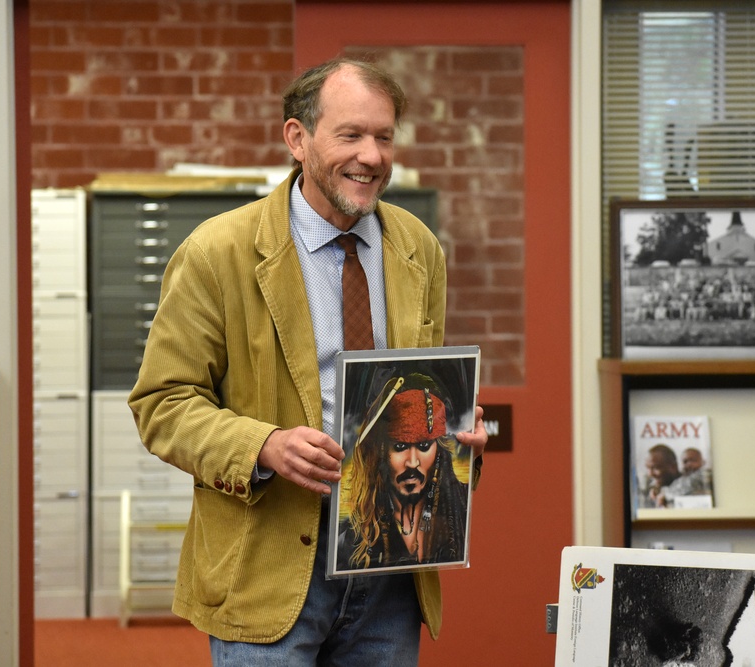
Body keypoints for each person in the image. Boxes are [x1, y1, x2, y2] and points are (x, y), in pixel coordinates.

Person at [127, 56, 487, 666]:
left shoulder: (418, 249)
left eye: (383, 136)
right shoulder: (217, 254)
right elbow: (161, 405)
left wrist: (455, 438)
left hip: (390, 564)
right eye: (350, 135)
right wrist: (262, 445)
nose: (371, 156)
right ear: (298, 138)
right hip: (267, 568)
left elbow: (420, 388)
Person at [338, 372, 471, 570]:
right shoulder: (351, 539)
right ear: (380, 452)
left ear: (439, 449)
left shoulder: (460, 511)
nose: (413, 463)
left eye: (425, 446)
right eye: (400, 447)